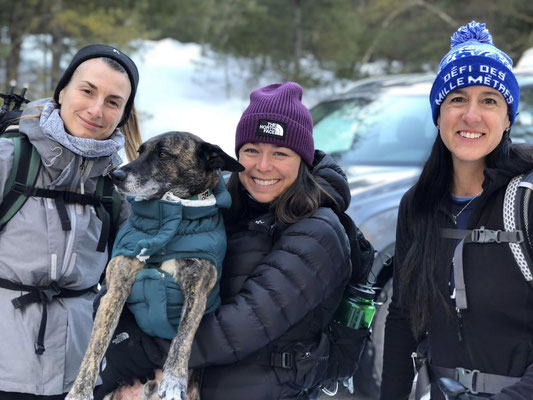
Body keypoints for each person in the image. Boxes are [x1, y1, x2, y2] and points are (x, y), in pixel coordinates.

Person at [93, 81, 353, 400]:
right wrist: (121, 335)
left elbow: (238, 329)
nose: (263, 165)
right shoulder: (219, 213)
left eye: (280, 153)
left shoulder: (318, 233)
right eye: (251, 150)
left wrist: (139, 348)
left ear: (303, 159)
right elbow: (132, 280)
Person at [380, 21, 533, 400]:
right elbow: (402, 321)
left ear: (507, 117)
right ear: (439, 113)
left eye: (489, 100)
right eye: (458, 98)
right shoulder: (417, 205)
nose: (471, 115)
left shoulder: (527, 201)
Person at [0, 44, 141, 399]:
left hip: (78, 377)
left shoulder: (119, 186)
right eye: (87, 91)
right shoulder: (9, 160)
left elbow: (132, 288)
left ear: (123, 114)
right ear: (62, 90)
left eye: (113, 102)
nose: (96, 110)